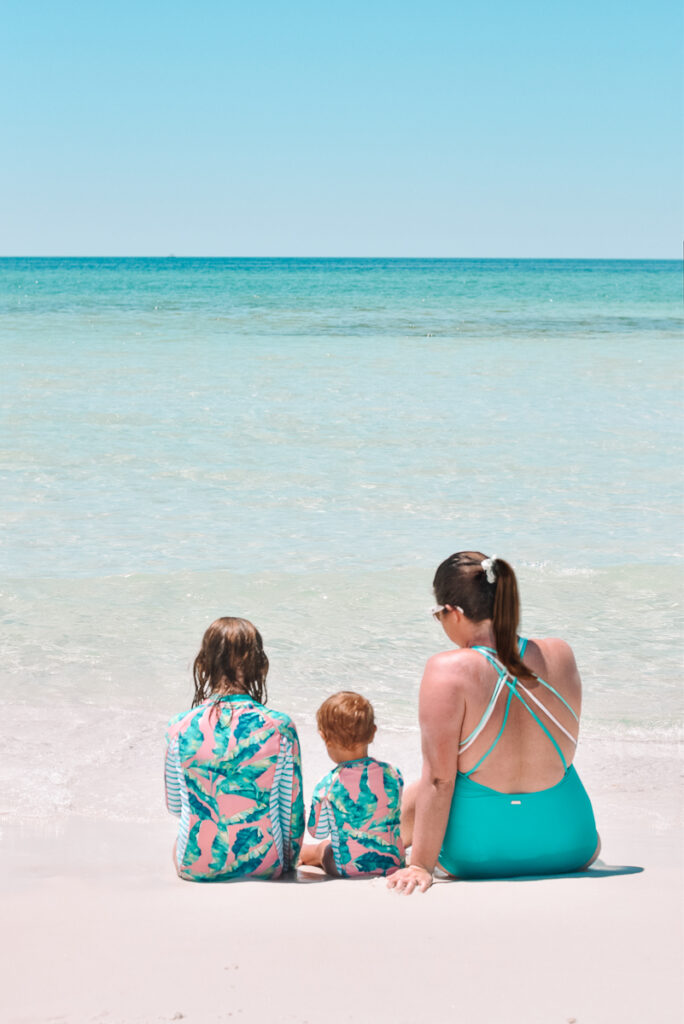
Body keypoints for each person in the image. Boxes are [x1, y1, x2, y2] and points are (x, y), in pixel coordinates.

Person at [387, 552, 599, 894]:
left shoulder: (447, 669)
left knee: (415, 792)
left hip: (476, 854)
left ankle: (322, 853)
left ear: (453, 612)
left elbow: (440, 780)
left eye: (437, 614)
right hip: (571, 843)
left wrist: (420, 865)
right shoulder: (560, 653)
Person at [164, 617, 305, 881]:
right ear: (260, 666)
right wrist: (288, 865)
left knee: (181, 840)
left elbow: (175, 806)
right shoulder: (280, 727)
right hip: (264, 865)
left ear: (203, 664)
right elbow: (291, 814)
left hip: (195, 867)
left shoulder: (178, 727)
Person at [299, 691, 405, 877]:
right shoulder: (393, 774)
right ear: (373, 733)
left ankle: (304, 854)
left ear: (324, 737)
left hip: (346, 869)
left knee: (324, 847)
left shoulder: (328, 785)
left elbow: (318, 831)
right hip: (395, 864)